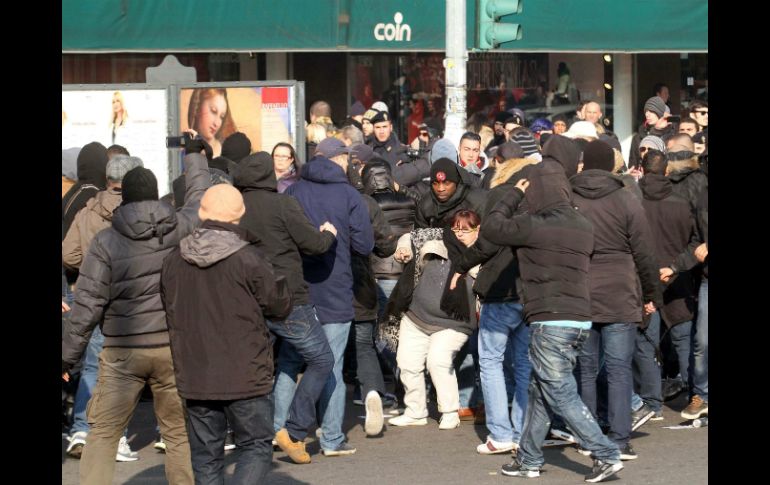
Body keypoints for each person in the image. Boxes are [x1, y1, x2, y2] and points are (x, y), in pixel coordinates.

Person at [61, 142, 211, 485]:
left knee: (102, 434)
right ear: (156, 194)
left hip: (121, 352)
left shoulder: (106, 242)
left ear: (122, 195)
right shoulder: (177, 226)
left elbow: (87, 306)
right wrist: (194, 156)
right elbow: (200, 196)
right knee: (177, 434)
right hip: (172, 348)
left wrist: (66, 359)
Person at [481, 161, 624, 483]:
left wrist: (512, 195)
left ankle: (606, 453)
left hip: (550, 319)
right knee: (540, 390)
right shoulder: (584, 225)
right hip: (578, 320)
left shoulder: (535, 224)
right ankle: (529, 459)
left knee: (559, 391)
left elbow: (491, 228)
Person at [161, 184, 292, 484]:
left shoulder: (173, 259)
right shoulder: (250, 258)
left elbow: (169, 308)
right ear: (240, 215)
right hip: (245, 370)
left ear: (202, 211)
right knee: (255, 446)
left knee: (206, 455)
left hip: (197, 371)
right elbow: (279, 306)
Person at [233, 150, 337, 464]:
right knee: (321, 359)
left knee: (258, 368)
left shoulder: (236, 209)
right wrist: (328, 234)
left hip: (248, 299)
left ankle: (252, 436)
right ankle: (293, 430)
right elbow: (314, 245)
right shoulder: (282, 204)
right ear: (269, 175)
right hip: (288, 298)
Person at [571, 140, 662, 461]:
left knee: (585, 368)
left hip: (580, 290)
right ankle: (620, 439)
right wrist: (652, 294)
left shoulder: (570, 198)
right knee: (620, 368)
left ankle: (588, 435)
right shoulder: (625, 198)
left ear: (584, 164)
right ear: (611, 164)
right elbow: (645, 252)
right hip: (620, 291)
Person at [285, 138, 375, 457]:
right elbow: (364, 245)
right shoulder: (349, 193)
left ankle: (276, 428)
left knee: (290, 360)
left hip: (299, 288)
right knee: (332, 363)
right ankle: (332, 437)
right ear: (339, 160)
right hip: (336, 286)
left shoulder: (293, 190)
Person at [62, 155, 144, 462]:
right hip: (126, 300)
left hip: (90, 293)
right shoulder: (136, 210)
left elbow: (68, 253)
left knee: (93, 365)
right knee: (124, 370)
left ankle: (81, 429)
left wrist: (87, 265)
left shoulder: (88, 209)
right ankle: (115, 436)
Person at [386, 212, 480, 430]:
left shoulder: (484, 252)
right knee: (407, 363)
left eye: (466, 230)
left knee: (438, 360)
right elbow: (409, 237)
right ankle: (415, 411)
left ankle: (449, 411)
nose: (459, 234)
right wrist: (404, 249)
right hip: (416, 316)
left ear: (478, 230)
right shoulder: (438, 240)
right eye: (456, 229)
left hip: (454, 324)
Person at [187, 88, 237, 158]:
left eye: (221, 117)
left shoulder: (228, 150)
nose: (217, 123)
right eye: (213, 111)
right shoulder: (184, 147)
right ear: (197, 107)